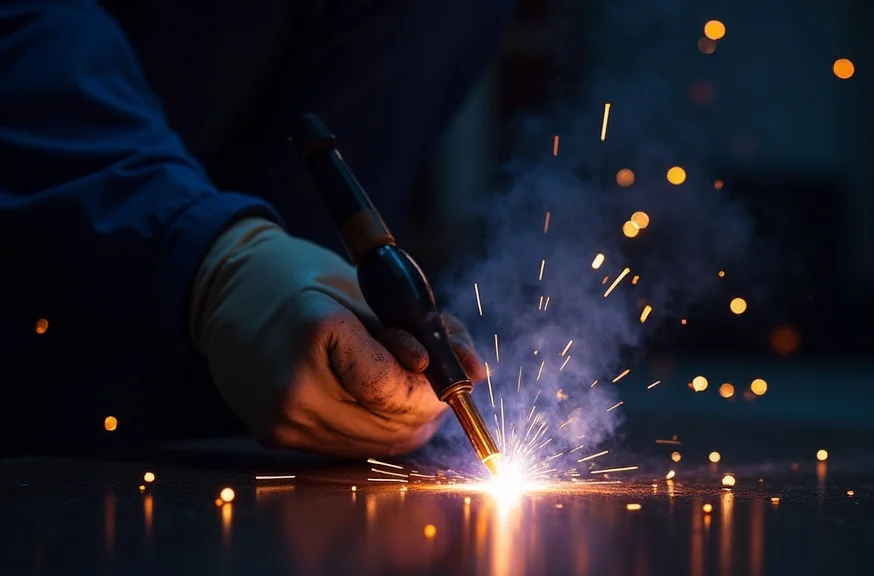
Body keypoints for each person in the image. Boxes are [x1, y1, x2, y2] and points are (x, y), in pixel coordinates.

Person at [0, 0, 513, 456]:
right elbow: (27, 46)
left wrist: (358, 352)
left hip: (249, 387)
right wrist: (214, 258)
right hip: (54, 303)